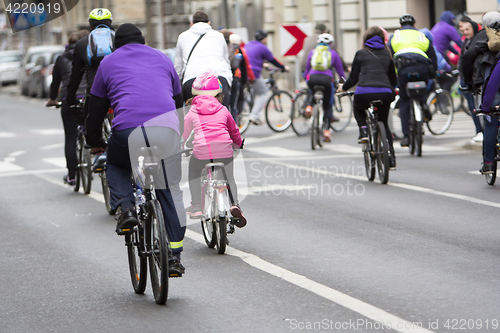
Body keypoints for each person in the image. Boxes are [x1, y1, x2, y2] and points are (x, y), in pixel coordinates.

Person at [85, 23, 186, 275]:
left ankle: (127, 209)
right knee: (169, 191)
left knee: (116, 165)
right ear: (143, 41)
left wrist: (94, 139)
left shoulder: (108, 63)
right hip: (166, 130)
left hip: (128, 131)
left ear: (116, 44)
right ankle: (174, 256)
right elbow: (178, 100)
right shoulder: (162, 57)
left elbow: (96, 107)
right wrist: (178, 132)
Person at [182, 72, 246, 227]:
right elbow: (234, 131)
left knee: (194, 171)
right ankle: (235, 204)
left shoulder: (193, 111)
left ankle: (197, 205)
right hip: (224, 150)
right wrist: (238, 143)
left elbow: (184, 133)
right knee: (229, 178)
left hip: (202, 151)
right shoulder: (223, 109)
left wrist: (179, 146)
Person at [337, 26, 397, 168]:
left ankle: (363, 129)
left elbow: (353, 79)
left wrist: (343, 88)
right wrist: (393, 89)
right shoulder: (387, 54)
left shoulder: (361, 54)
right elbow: (393, 79)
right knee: (384, 123)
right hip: (385, 93)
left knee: (358, 109)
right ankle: (391, 157)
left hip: (364, 93)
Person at [388, 14, 438, 147]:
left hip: (403, 68)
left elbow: (389, 56)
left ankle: (406, 137)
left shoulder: (395, 36)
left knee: (404, 100)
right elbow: (432, 56)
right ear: (414, 25)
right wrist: (434, 73)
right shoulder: (422, 35)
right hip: (422, 67)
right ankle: (423, 106)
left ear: (400, 26)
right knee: (422, 91)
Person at [46, 33, 88, 186]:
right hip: (88, 98)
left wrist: (52, 99)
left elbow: (55, 82)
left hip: (68, 99)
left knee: (70, 138)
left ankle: (72, 176)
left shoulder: (61, 58)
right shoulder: (89, 54)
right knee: (91, 129)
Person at [174, 11, 232, 108]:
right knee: (222, 115)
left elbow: (178, 66)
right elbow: (226, 61)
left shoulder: (182, 37)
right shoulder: (219, 36)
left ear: (191, 24)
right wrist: (228, 82)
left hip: (192, 79)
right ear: (209, 23)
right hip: (218, 78)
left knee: (192, 116)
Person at [66, 8, 114, 108]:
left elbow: (76, 74)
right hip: (117, 89)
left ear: (90, 25)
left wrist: (70, 97)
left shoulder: (82, 43)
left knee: (91, 121)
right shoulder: (119, 39)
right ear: (110, 22)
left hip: (94, 91)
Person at [304, 33, 345, 142]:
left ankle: (309, 106)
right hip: (327, 80)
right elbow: (340, 71)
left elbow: (307, 68)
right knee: (328, 104)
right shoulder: (333, 53)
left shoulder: (313, 52)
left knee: (311, 91)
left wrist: (306, 79)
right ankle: (326, 130)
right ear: (330, 44)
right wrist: (343, 82)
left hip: (312, 78)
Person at [245, 29, 289, 125]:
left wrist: (263, 65)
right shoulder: (262, 47)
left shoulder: (248, 44)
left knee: (253, 91)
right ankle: (254, 116)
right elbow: (273, 60)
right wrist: (283, 67)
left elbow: (252, 58)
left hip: (245, 72)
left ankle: (248, 107)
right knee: (263, 93)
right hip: (254, 73)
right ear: (264, 39)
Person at [220, 30, 255, 121]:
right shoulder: (237, 48)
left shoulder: (217, 47)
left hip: (220, 78)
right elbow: (244, 66)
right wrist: (244, 81)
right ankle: (234, 128)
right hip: (234, 77)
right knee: (233, 105)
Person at [458, 16, 483, 142]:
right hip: (466, 79)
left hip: (474, 80)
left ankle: (481, 130)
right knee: (472, 107)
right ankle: (478, 130)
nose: (465, 32)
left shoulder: (477, 42)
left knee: (477, 106)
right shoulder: (466, 42)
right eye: (463, 30)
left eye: (467, 29)